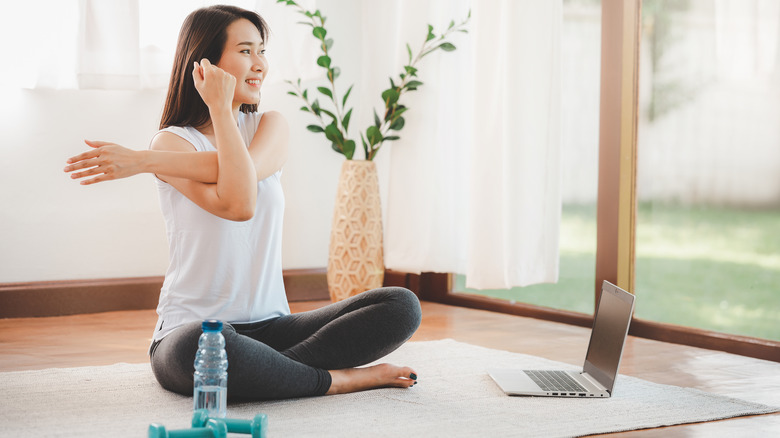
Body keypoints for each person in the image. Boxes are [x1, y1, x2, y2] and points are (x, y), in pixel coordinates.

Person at [64, 4, 421, 400]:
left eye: (262, 51)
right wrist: (213, 110)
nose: (260, 64)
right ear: (205, 64)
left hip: (273, 329)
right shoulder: (173, 142)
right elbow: (239, 203)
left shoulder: (270, 126)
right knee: (203, 347)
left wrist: (143, 161)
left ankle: (274, 371)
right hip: (193, 330)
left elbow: (241, 180)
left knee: (400, 304)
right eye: (246, 50)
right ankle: (337, 379)